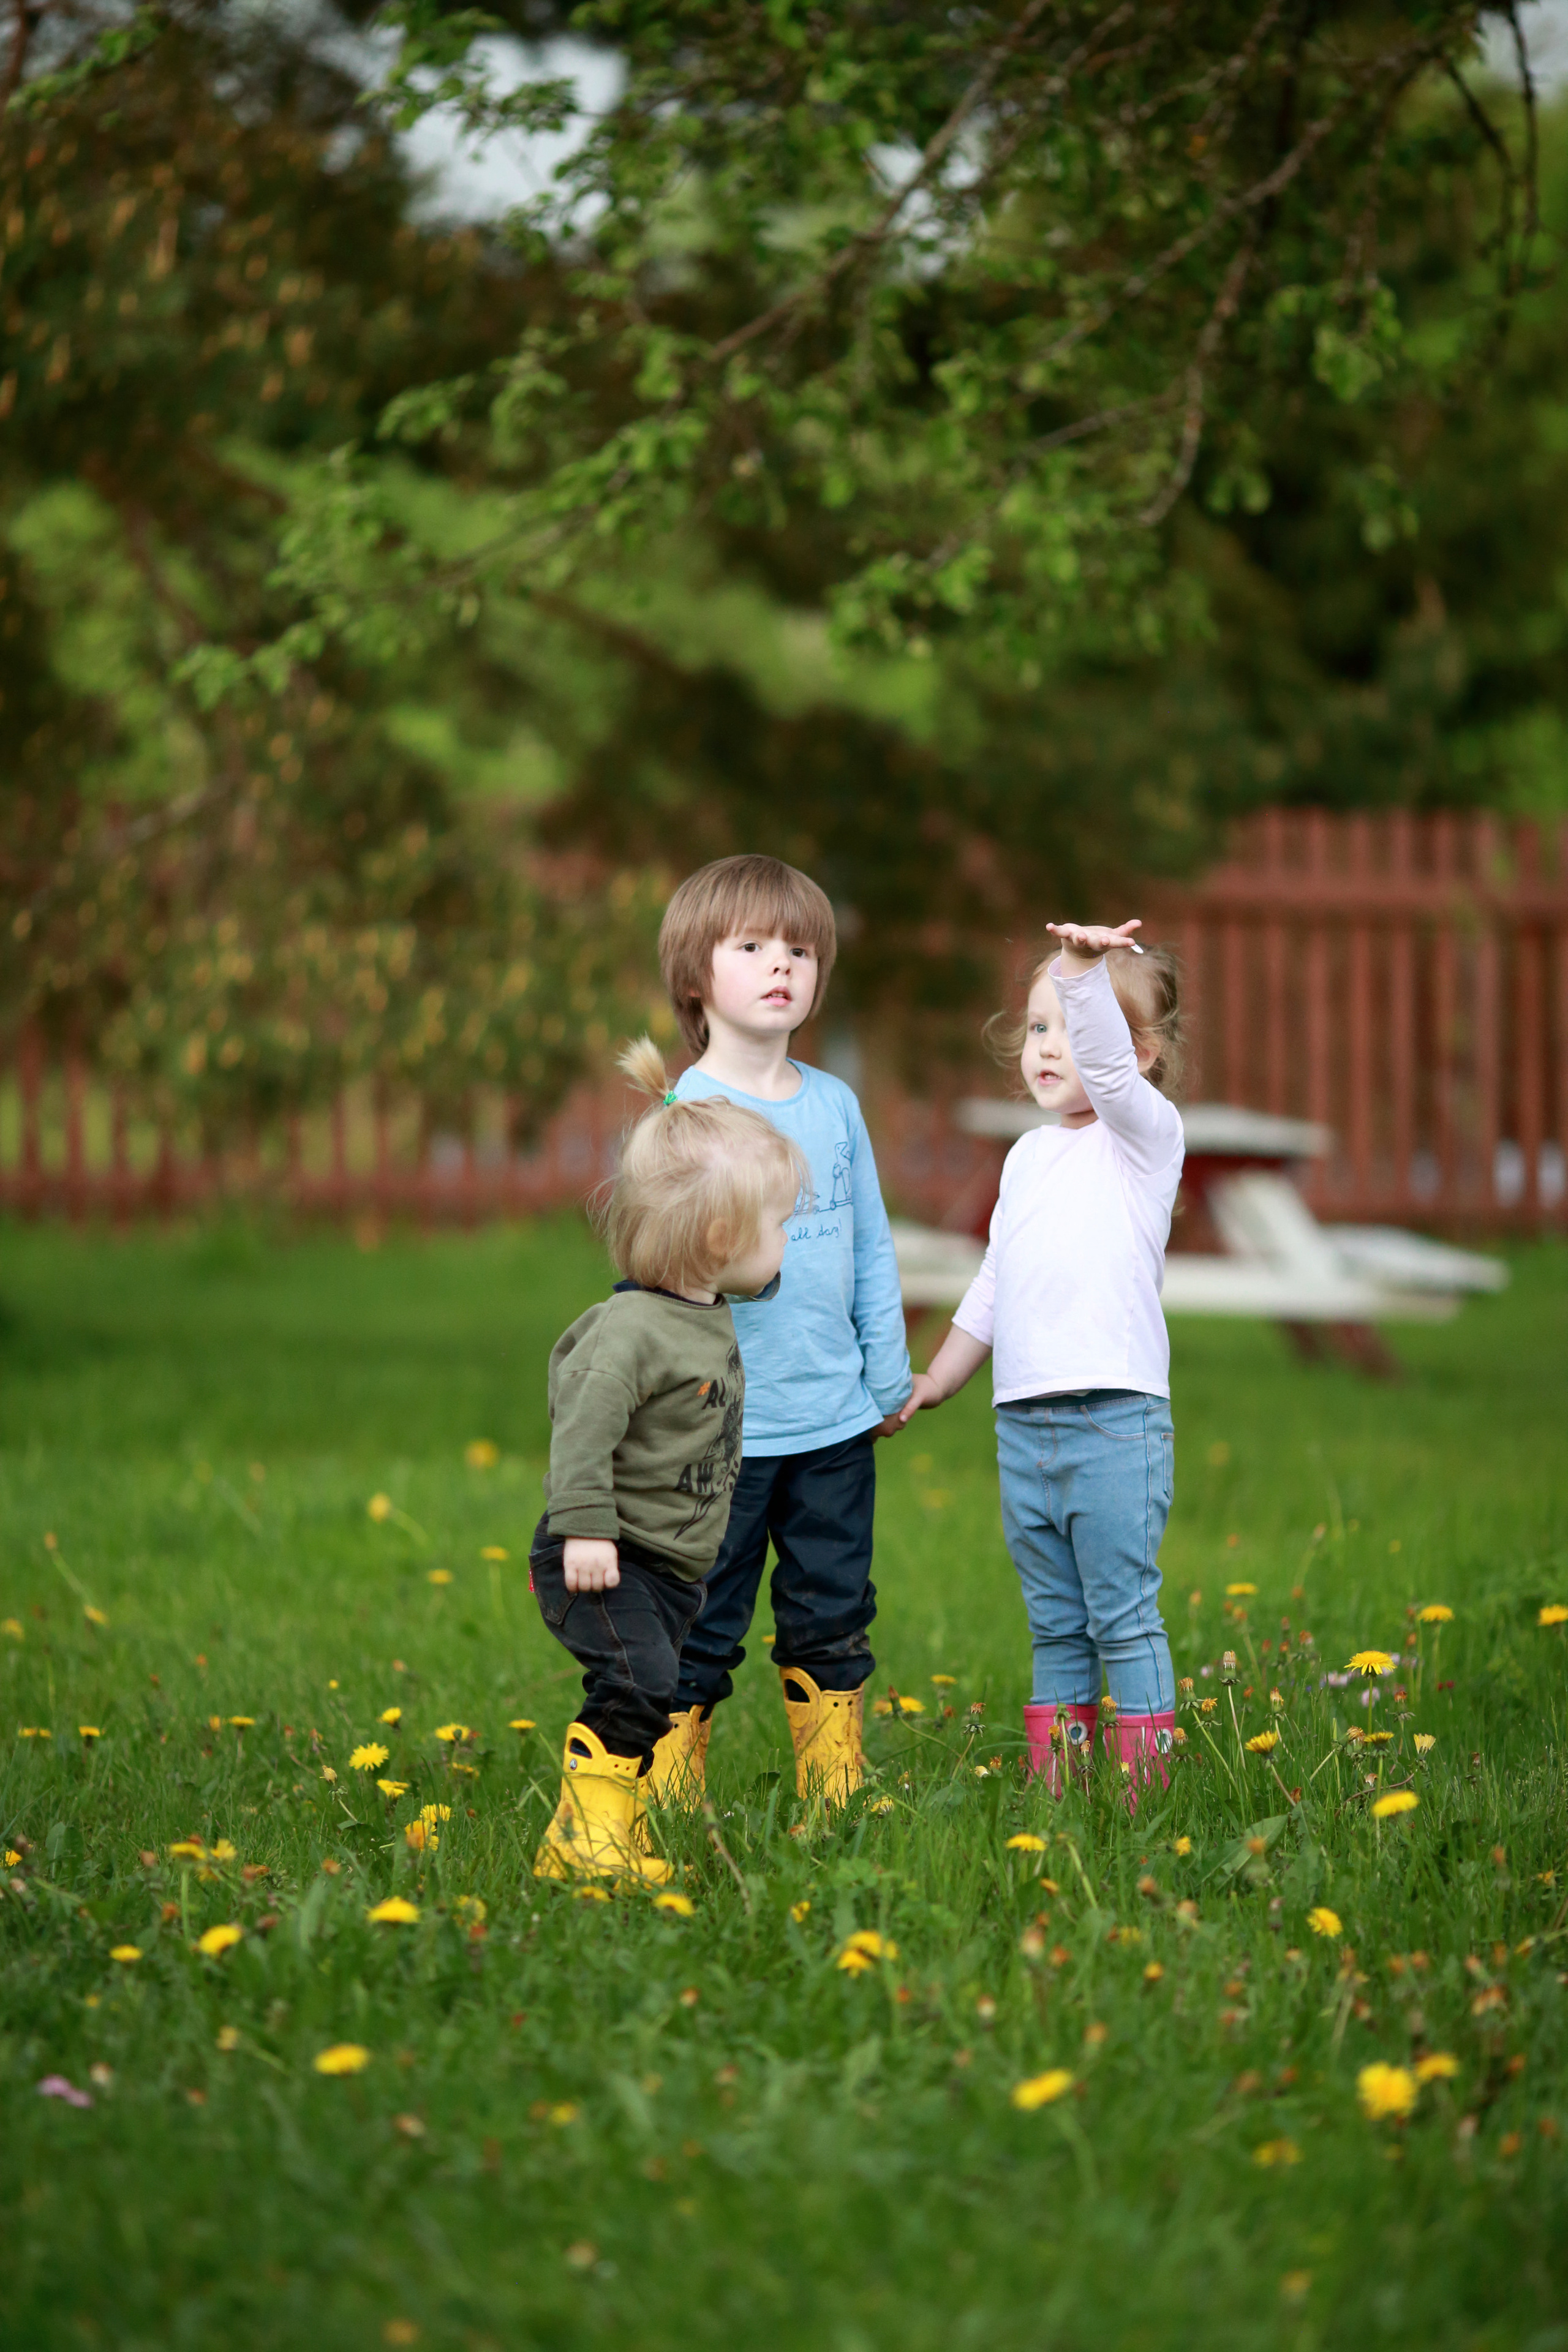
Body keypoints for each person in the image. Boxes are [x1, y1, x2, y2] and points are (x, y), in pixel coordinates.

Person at [649, 854, 913, 1809]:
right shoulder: (687, 1113)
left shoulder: (835, 1106)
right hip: (719, 1430)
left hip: (833, 1422)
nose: (781, 965)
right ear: (695, 976)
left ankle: (833, 1791)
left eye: (800, 950)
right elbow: (656, 1277)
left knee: (832, 1610)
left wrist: (886, 1378)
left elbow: (871, 1248)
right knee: (701, 1617)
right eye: (753, 946)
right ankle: (674, 1795)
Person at [902, 919, 1185, 1801]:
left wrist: (1079, 971)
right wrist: (940, 1375)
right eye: (1035, 1027)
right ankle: (1060, 1800)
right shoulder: (1026, 1158)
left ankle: (1147, 1804)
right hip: (1024, 1429)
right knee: (1058, 1627)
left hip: (1113, 1420)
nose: (1045, 1047)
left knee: (1123, 1621)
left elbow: (1100, 1067)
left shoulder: (1145, 1140)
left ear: (1137, 1054)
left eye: (1068, 1024)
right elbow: (997, 1278)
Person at [530, 1037, 809, 1885]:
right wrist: (584, 1532)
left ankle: (602, 1829)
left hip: (669, 1566)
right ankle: (588, 1845)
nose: (790, 1240)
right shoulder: (629, 1336)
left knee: (651, 1690)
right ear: (721, 1234)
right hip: (606, 1558)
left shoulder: (705, 1308)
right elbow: (579, 1433)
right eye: (782, 1225)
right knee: (641, 1682)